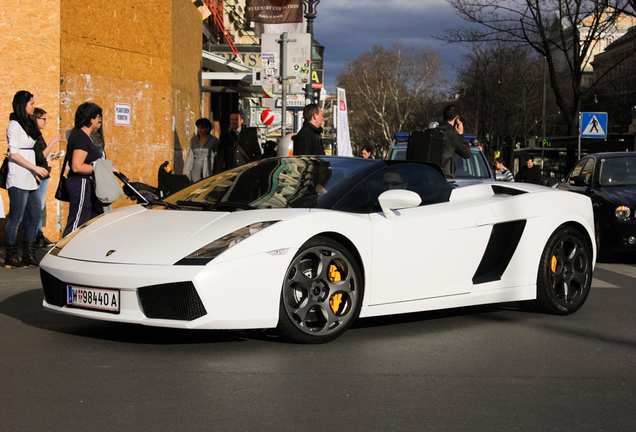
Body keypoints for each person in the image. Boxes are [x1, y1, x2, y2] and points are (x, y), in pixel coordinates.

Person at [4, 90, 48, 269]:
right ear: (23, 105)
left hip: (30, 177)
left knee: (35, 215)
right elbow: (13, 154)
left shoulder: (27, 124)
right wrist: (35, 168)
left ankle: (28, 255)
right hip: (18, 176)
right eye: (31, 103)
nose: (34, 106)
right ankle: (10, 257)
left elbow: (32, 151)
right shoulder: (14, 125)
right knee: (16, 218)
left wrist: (35, 171)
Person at [63, 102, 118, 237]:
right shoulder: (80, 136)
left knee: (89, 221)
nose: (99, 120)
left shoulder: (87, 137)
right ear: (90, 118)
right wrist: (105, 169)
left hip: (88, 184)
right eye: (98, 116)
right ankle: (66, 252)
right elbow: (77, 166)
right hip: (80, 183)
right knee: (77, 223)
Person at [22, 108, 63, 248]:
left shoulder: (38, 135)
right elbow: (39, 157)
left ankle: (37, 235)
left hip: (43, 174)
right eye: (43, 119)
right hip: (37, 175)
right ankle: (33, 237)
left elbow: (41, 157)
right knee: (35, 208)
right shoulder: (32, 135)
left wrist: (52, 155)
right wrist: (52, 142)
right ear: (36, 119)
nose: (45, 122)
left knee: (39, 207)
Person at [437, 104, 472, 178]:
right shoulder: (452, 134)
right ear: (456, 118)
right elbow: (467, 153)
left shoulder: (434, 131)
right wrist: (460, 134)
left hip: (431, 175)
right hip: (446, 176)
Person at [184, 118, 219, 182]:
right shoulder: (193, 140)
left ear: (207, 128)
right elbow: (190, 156)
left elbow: (217, 157)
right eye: (198, 127)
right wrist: (185, 171)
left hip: (209, 170)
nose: (199, 130)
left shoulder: (214, 140)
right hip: (196, 170)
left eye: (202, 128)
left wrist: (217, 172)